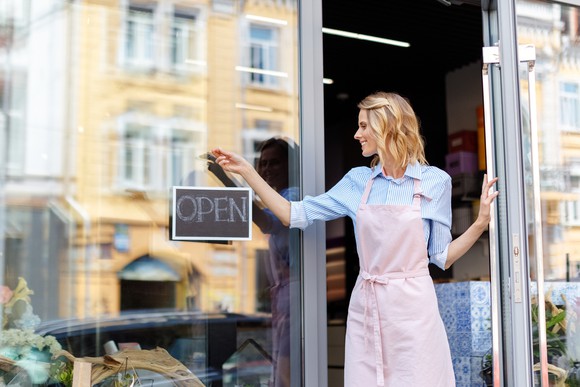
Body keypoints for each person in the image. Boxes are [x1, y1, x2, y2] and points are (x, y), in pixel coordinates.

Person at [211, 91, 498, 386]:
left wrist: (479, 224)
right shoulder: (357, 181)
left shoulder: (435, 181)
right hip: (368, 304)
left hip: (414, 310)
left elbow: (441, 257)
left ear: (387, 125)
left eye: (363, 126)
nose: (356, 134)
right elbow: (292, 214)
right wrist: (246, 171)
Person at [208, 137, 299, 387]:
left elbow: (265, 221)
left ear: (291, 166)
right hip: (285, 298)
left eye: (275, 163)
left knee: (286, 368)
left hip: (294, 298)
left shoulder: (293, 195)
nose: (267, 169)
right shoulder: (283, 195)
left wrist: (227, 178)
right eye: (263, 164)